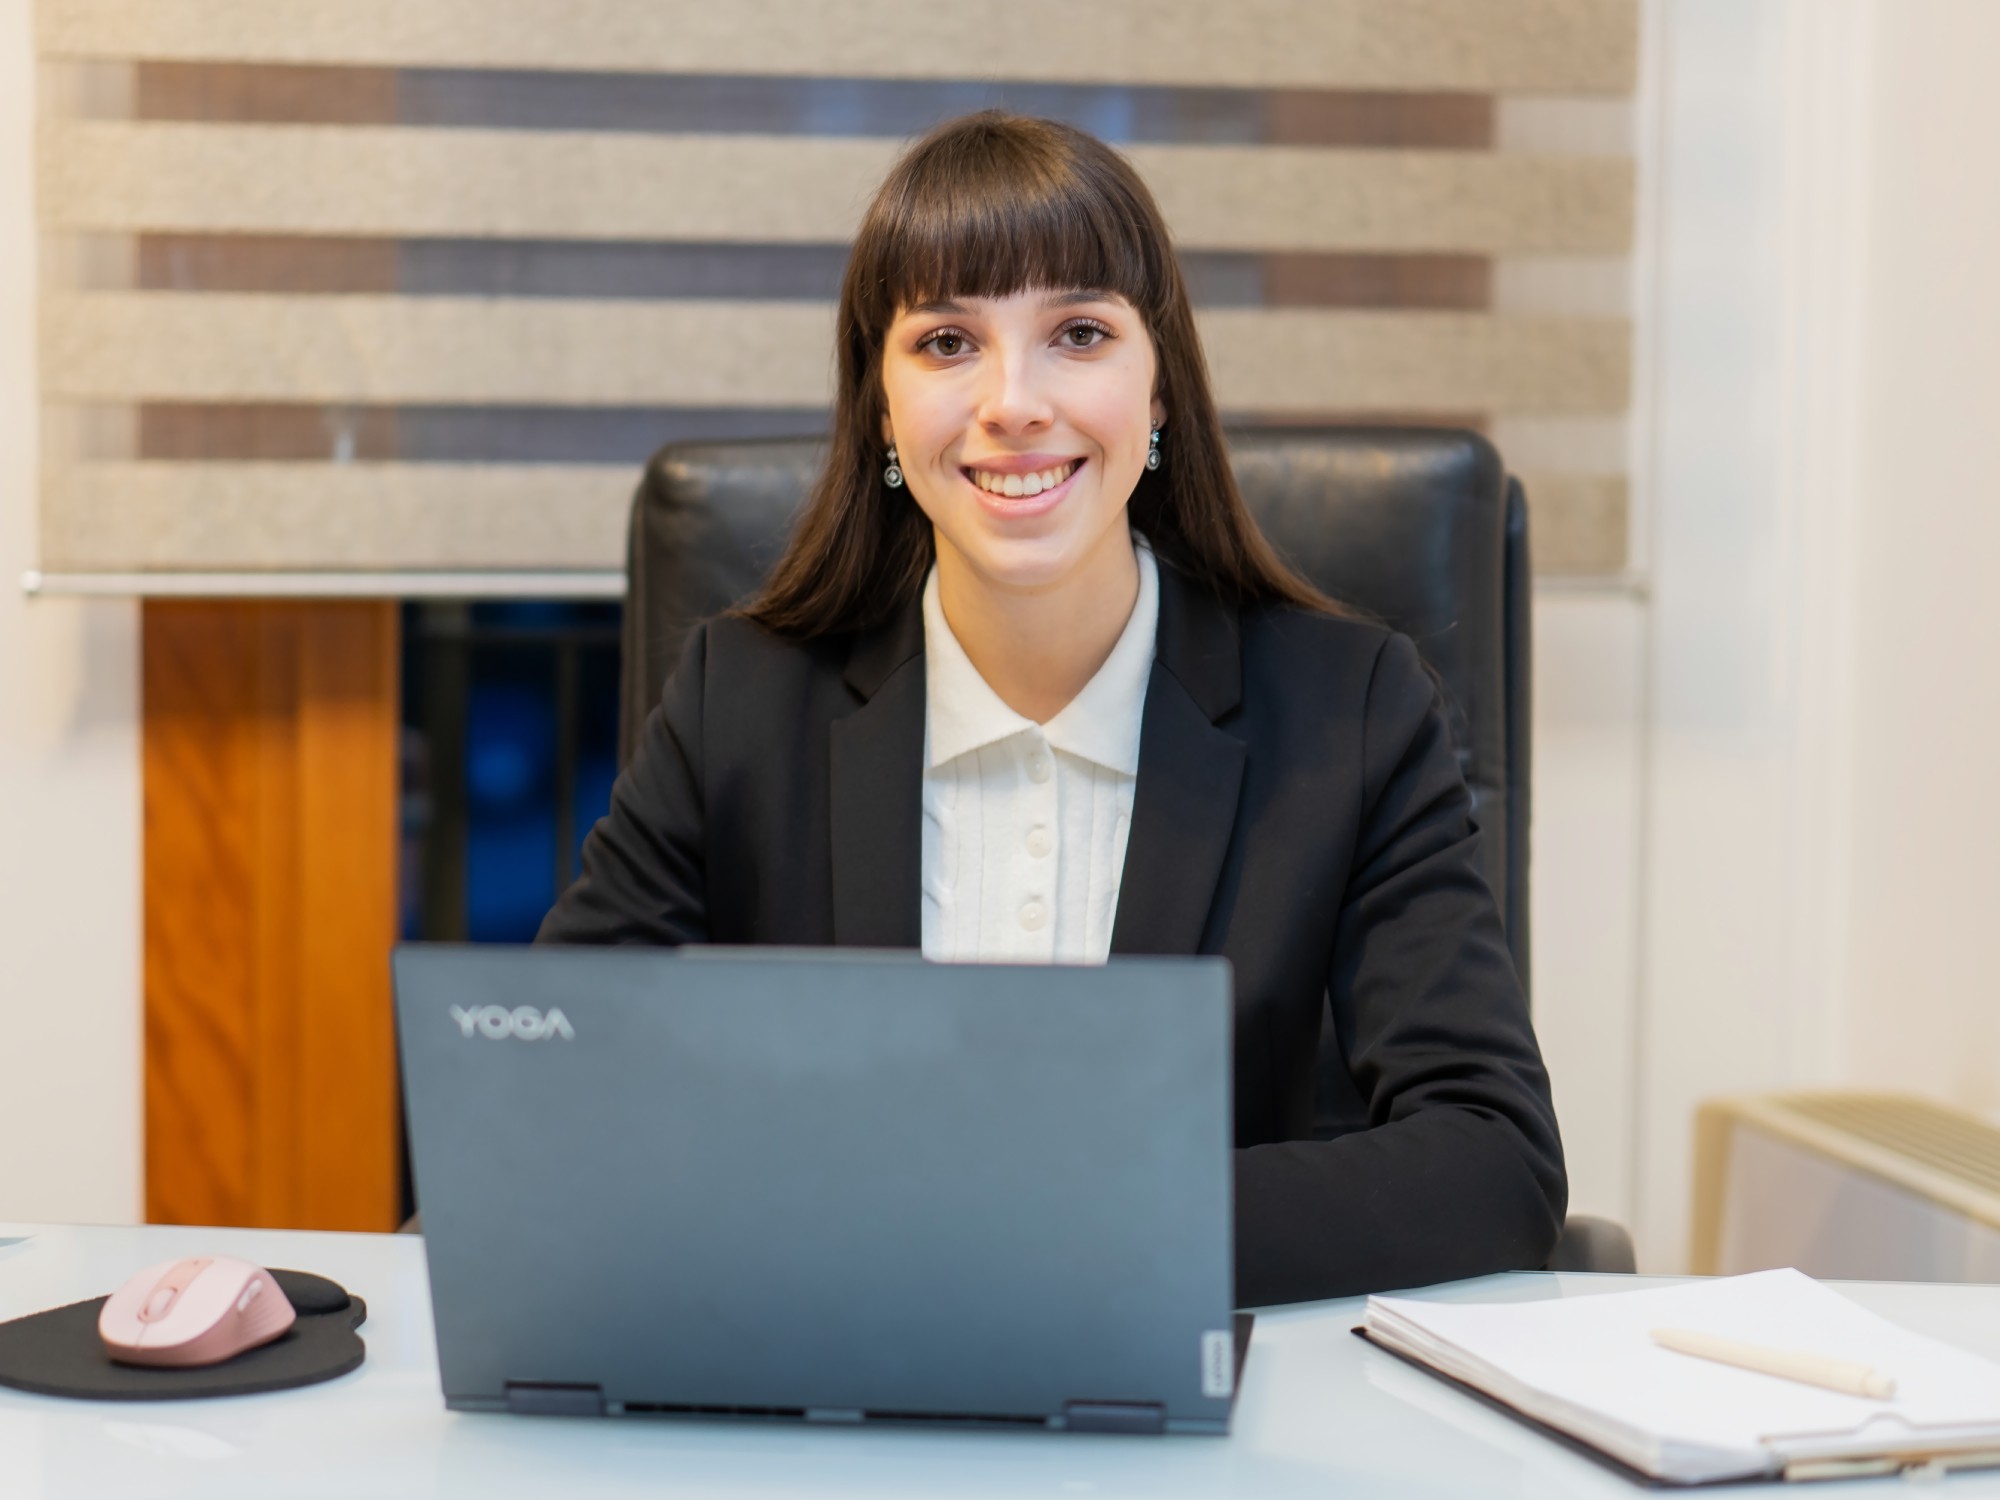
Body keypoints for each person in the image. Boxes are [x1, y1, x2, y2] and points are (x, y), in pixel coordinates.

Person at [539, 110, 1566, 1306]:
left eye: (1077, 333)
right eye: (946, 342)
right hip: (824, 1393)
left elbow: (1491, 1161)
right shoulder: (743, 700)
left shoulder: (1348, 714)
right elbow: (554, 1094)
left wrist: (1082, 1226)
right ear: (880, 408)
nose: (1012, 401)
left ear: (1159, 388)